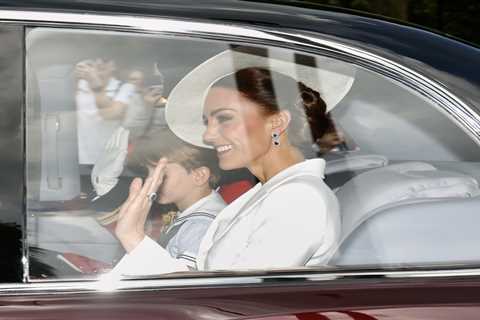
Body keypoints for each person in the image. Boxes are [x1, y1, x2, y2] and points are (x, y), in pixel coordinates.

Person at [111, 49, 355, 275]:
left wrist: (134, 238)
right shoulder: (273, 192)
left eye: (224, 119)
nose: (208, 135)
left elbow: (229, 301)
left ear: (277, 123)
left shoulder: (299, 199)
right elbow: (216, 284)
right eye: (207, 122)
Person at [125, 128, 226, 268]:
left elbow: (185, 284)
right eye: (148, 172)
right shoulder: (190, 215)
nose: (152, 180)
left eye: (163, 174)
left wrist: (132, 235)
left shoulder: (202, 225)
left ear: (199, 176)